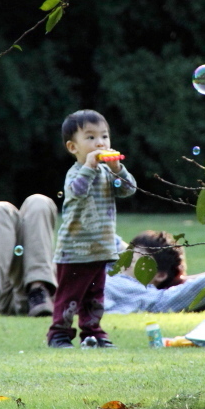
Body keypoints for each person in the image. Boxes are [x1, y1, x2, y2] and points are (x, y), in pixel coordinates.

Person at [48, 109, 136, 348]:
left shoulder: (109, 172)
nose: (100, 142)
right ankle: (59, 334)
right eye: (90, 137)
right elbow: (77, 192)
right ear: (73, 147)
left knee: (95, 298)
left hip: (101, 248)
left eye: (104, 136)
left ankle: (92, 332)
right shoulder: (76, 173)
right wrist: (89, 166)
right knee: (70, 297)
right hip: (74, 250)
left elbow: (129, 190)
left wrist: (118, 169)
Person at [104, 230, 205, 314]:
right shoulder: (109, 267)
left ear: (160, 275)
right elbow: (102, 235)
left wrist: (180, 280)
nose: (131, 259)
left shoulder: (151, 297)